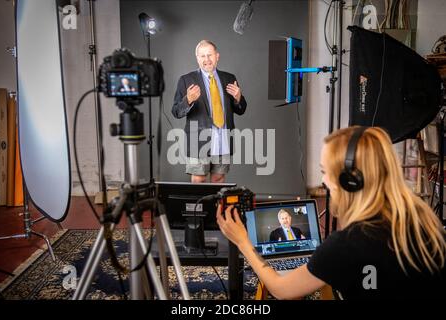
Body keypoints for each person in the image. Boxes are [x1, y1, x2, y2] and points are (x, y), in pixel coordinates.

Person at [217, 126, 446, 299]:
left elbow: (281, 290)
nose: (324, 181)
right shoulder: (424, 220)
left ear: (350, 181)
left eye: (325, 172)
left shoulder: (348, 244)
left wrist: (243, 242)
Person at [172, 40, 247, 183]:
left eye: (210, 55)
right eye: (202, 56)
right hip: (198, 141)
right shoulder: (186, 80)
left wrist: (238, 98)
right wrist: (188, 100)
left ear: (217, 56)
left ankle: (215, 207)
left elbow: (241, 109)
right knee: (199, 179)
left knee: (219, 179)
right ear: (197, 58)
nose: (207, 60)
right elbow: (176, 111)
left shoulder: (229, 78)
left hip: (223, 139)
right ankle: (199, 207)